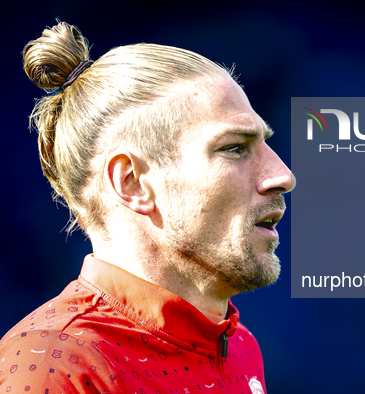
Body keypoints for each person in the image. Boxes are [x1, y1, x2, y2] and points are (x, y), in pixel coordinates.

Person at [0, 21, 294, 393]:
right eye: (234, 147)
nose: (282, 175)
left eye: (265, 144)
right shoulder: (52, 367)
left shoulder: (239, 347)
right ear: (133, 183)